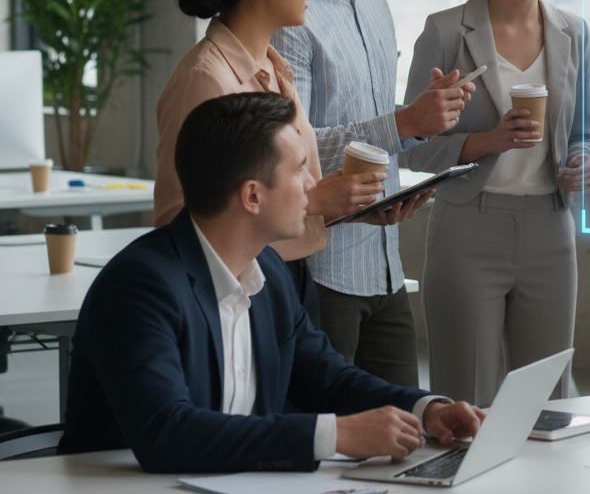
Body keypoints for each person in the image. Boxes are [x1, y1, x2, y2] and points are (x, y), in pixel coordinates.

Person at [60, 93, 485, 473]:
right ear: (252, 196)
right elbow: (167, 434)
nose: (312, 185)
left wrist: (426, 409)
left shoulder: (268, 270)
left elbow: (328, 379)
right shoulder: (139, 287)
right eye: (299, 170)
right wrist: (334, 435)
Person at [154, 0, 429, 322]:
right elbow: (179, 219)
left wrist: (345, 205)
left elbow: (273, 186)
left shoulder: (273, 66)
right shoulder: (205, 79)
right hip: (237, 291)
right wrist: (315, 199)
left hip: (285, 274)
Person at [274, 0, 474, 388]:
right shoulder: (293, 8)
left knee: (403, 436)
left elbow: (366, 119)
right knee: (330, 440)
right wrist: (406, 122)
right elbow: (295, 144)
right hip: (322, 264)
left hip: (385, 260)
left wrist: (419, 121)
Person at [402, 0, 590, 405]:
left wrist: (582, 162)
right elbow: (415, 147)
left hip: (550, 229)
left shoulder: (574, 32)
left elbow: (582, 135)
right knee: (467, 399)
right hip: (467, 228)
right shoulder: (445, 32)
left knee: (548, 402)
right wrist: (488, 140)